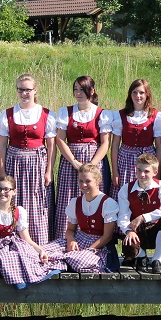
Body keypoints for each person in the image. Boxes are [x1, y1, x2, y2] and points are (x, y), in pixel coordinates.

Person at [0, 74, 57, 245]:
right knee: (13, 202)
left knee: (38, 205)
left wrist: (49, 171)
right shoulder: (7, 114)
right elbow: (1, 146)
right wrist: (2, 171)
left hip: (37, 163)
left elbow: (51, 146)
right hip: (14, 162)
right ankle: (12, 244)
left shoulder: (46, 114)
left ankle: (39, 245)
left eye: (28, 90)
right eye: (20, 90)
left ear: (35, 90)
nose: (24, 93)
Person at [54, 75, 113, 240]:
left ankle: (94, 240)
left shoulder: (102, 114)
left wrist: (91, 166)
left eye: (82, 89)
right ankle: (66, 239)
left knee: (93, 198)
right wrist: (74, 161)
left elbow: (105, 143)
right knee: (68, 198)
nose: (78, 93)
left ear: (92, 91)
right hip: (70, 162)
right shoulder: (65, 112)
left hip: (94, 161)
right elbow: (60, 139)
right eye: (76, 89)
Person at [39, 164, 118, 273]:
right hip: (79, 239)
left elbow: (107, 236)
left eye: (88, 181)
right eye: (81, 181)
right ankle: (62, 260)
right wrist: (71, 240)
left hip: (100, 246)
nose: (84, 185)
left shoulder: (108, 203)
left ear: (97, 181)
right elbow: (70, 230)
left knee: (79, 260)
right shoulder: (76, 202)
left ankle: (58, 261)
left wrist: (89, 250)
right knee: (43, 250)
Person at [110, 79, 161, 200]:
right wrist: (115, 171)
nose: (138, 96)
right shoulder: (120, 115)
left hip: (148, 159)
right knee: (126, 195)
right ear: (130, 94)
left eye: (141, 92)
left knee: (147, 195)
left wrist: (155, 169)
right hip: (125, 161)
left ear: (147, 94)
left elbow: (159, 146)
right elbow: (115, 144)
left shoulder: (155, 116)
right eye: (134, 92)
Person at [117, 153, 161, 274]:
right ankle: (141, 256)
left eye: (146, 171)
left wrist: (143, 217)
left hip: (155, 229)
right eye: (139, 170)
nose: (142, 175)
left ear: (155, 172)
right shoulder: (126, 189)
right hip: (137, 231)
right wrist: (129, 231)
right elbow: (123, 216)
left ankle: (156, 260)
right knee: (129, 246)